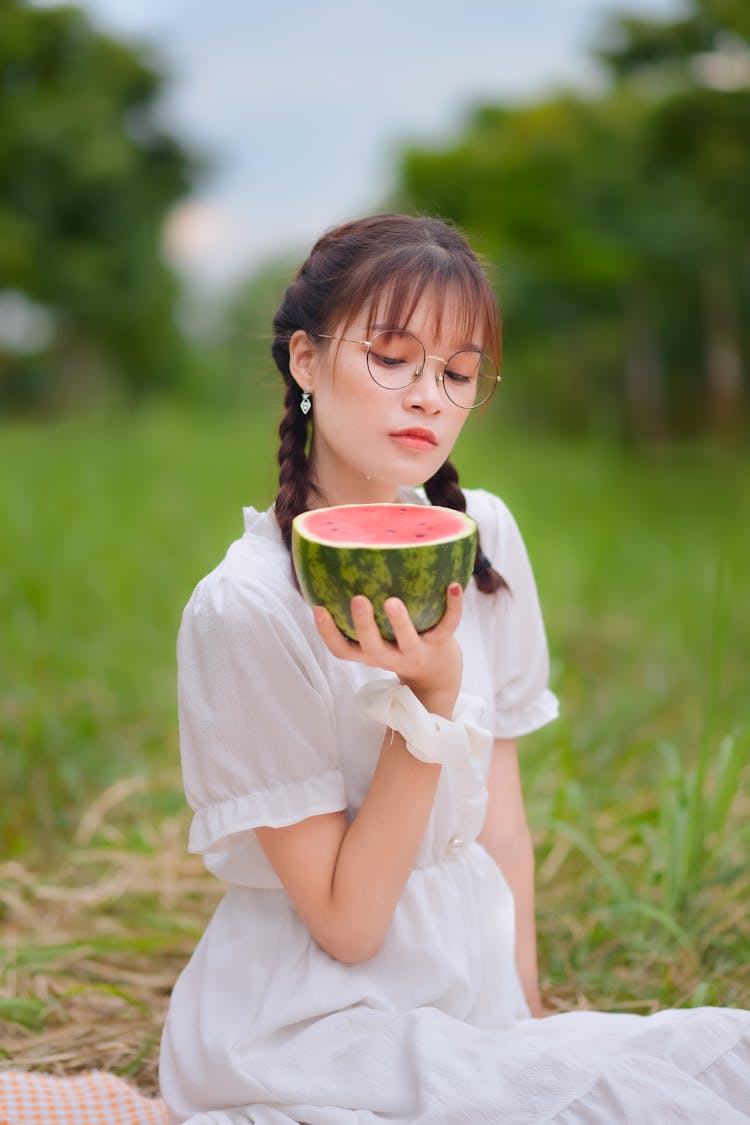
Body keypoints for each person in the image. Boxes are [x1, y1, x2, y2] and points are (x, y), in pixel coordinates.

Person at [159, 213, 749, 1124]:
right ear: (306, 362)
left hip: (469, 996)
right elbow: (348, 925)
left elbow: (500, 826)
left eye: (457, 373)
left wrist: (530, 1019)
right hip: (310, 1025)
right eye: (391, 358)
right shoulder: (246, 608)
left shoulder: (484, 540)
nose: (428, 396)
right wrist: (428, 704)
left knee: (716, 1062)